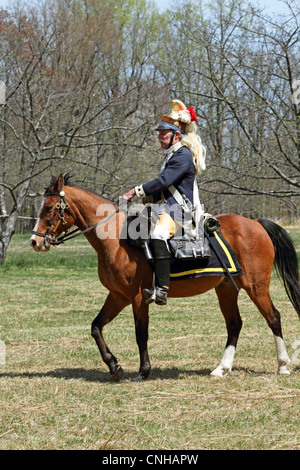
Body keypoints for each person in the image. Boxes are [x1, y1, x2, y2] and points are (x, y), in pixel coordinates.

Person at [123, 99, 206, 305]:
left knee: (157, 232)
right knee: (133, 224)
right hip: (166, 209)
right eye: (159, 133)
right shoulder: (171, 155)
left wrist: (136, 191)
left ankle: (162, 289)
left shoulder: (182, 156)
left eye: (164, 133)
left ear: (176, 135)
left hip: (180, 212)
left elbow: (163, 182)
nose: (160, 137)